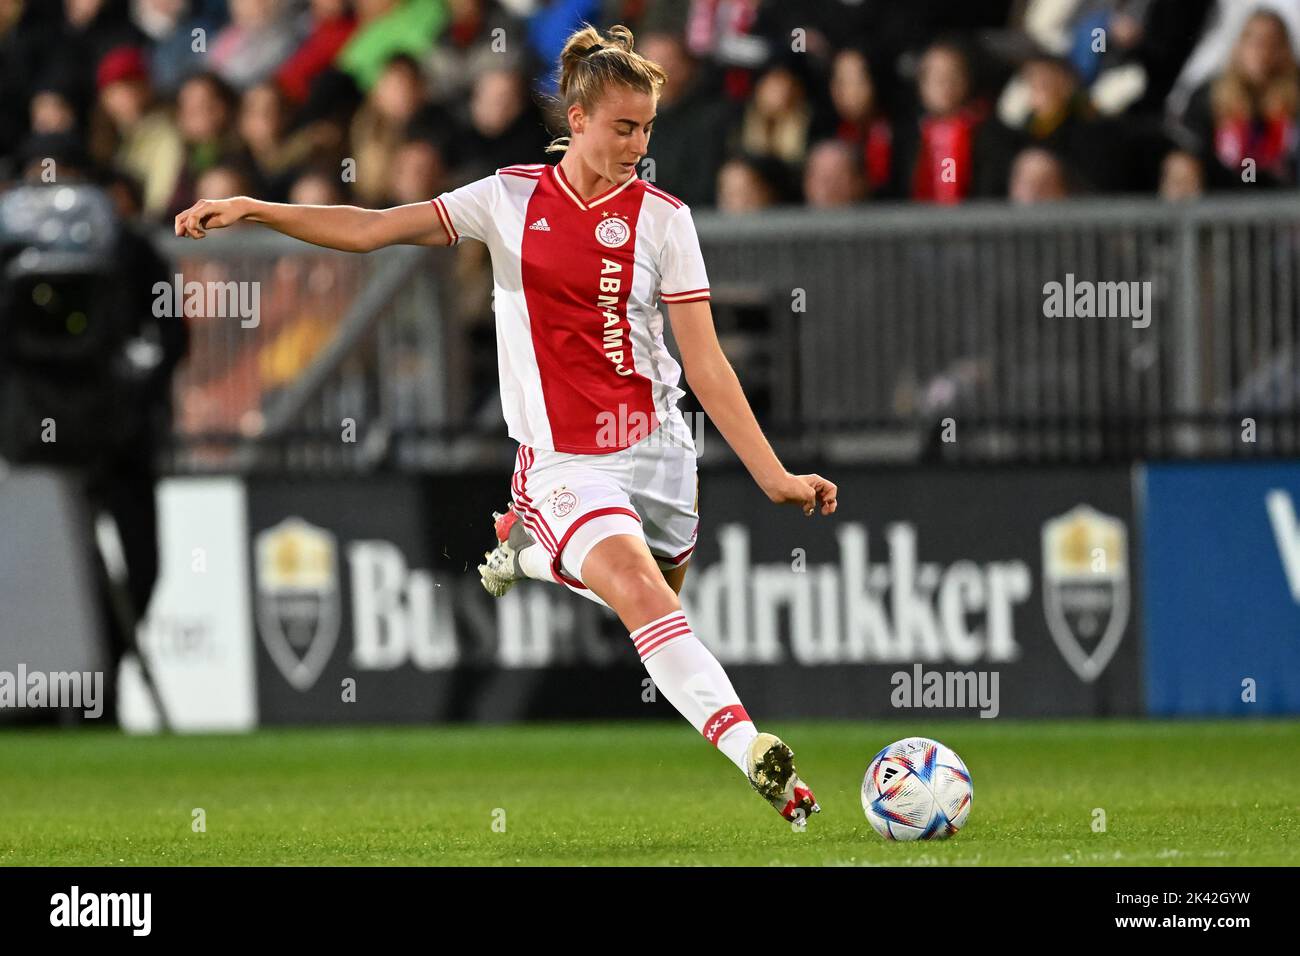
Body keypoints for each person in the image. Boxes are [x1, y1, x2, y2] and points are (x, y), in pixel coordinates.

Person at [174, 22, 836, 827]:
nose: (637, 144)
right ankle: (756, 756)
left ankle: (528, 553)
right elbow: (373, 228)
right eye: (624, 126)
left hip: (661, 449)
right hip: (562, 460)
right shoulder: (506, 199)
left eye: (648, 128)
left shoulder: (666, 219)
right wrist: (255, 208)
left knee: (659, 597)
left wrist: (772, 473)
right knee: (633, 590)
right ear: (578, 119)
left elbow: (706, 364)